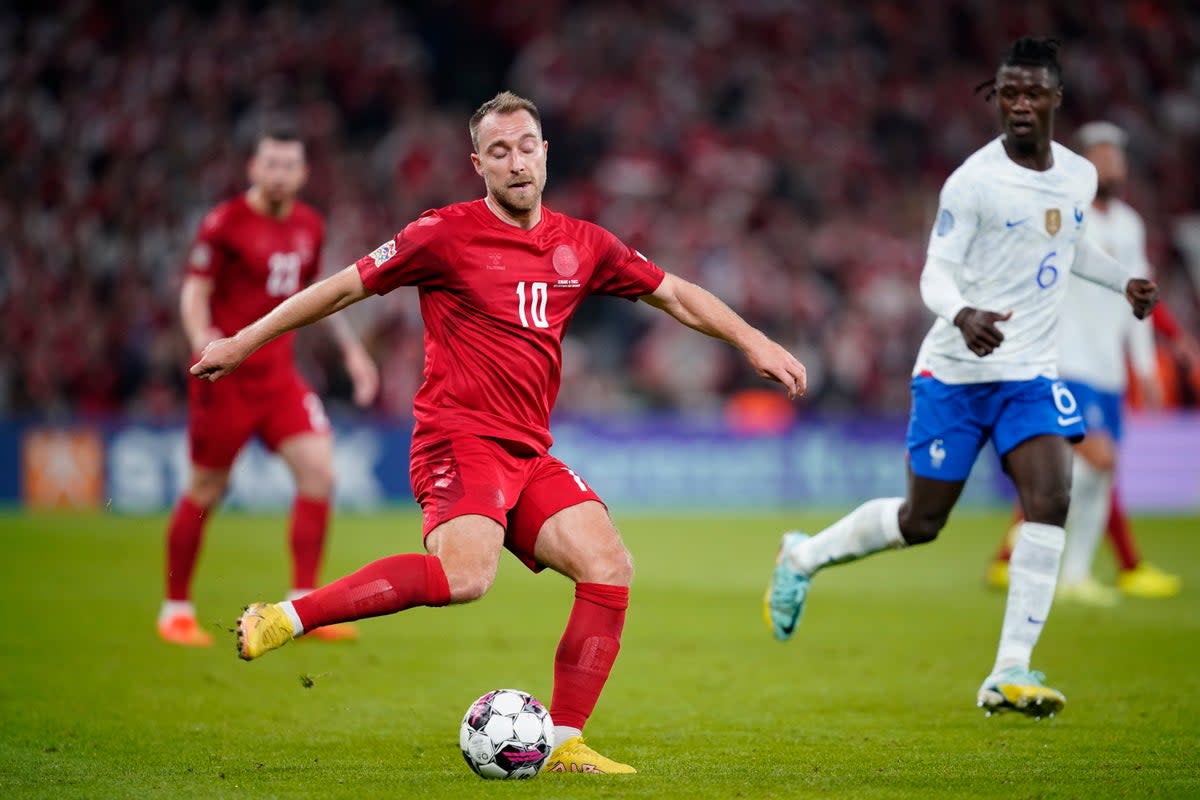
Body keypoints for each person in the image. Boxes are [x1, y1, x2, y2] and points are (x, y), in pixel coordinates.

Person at [191, 91, 807, 774]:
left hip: (526, 450)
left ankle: (566, 741)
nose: (516, 163)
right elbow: (341, 288)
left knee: (609, 566)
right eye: (500, 151)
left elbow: (674, 292)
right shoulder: (441, 234)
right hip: (457, 440)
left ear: (545, 153)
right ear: (478, 163)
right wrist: (244, 339)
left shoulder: (583, 244)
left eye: (526, 147)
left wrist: (754, 342)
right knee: (466, 577)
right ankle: (290, 616)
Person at [762, 38, 1158, 719]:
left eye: (1034, 92)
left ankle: (1009, 671)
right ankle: (802, 556)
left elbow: (1068, 244)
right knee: (922, 521)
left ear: (1057, 98)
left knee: (1051, 494)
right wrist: (962, 311)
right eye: (1009, 93)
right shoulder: (972, 182)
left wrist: (1122, 280)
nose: (1022, 104)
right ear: (996, 98)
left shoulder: (1076, 177)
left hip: (1028, 372)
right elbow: (934, 272)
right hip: (954, 372)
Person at [159, 128, 380, 647]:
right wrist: (202, 337)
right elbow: (196, 290)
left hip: (279, 376)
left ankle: (303, 604)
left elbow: (316, 296)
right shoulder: (225, 224)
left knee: (319, 472)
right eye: (271, 164)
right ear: (253, 170)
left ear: (303, 175)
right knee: (207, 489)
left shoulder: (309, 225)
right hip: (226, 378)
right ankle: (176, 609)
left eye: (290, 166)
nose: (280, 174)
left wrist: (351, 351)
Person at [984, 122, 1185, 603]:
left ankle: (1057, 569)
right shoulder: (1065, 215)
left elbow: (1135, 299)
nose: (1109, 165)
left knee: (1092, 470)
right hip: (1064, 359)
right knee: (1095, 458)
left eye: (1115, 157)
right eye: (1099, 156)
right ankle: (1058, 560)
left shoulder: (1131, 224)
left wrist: (1143, 365)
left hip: (1109, 369)